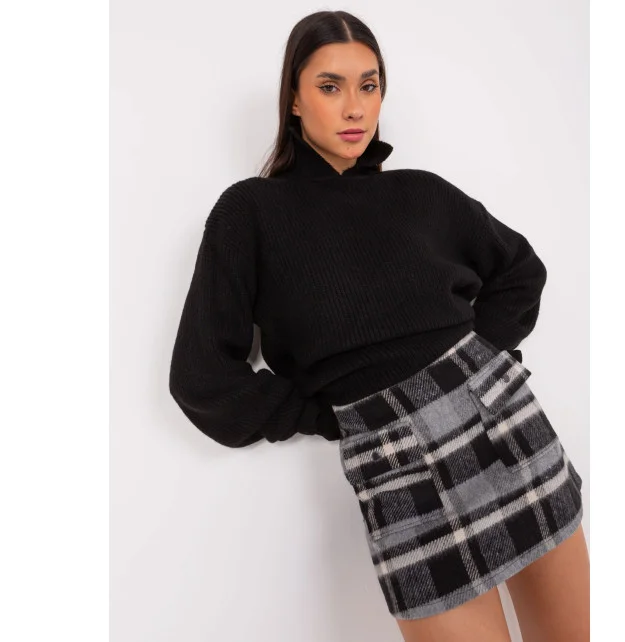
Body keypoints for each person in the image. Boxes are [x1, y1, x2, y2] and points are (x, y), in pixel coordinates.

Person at [168, 9, 589, 642]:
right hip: (395, 468)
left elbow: (520, 271)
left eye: (368, 85)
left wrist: (478, 364)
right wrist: (329, 416)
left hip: (505, 428)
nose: (354, 107)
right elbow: (201, 376)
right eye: (330, 86)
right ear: (293, 99)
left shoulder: (421, 193)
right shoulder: (250, 213)